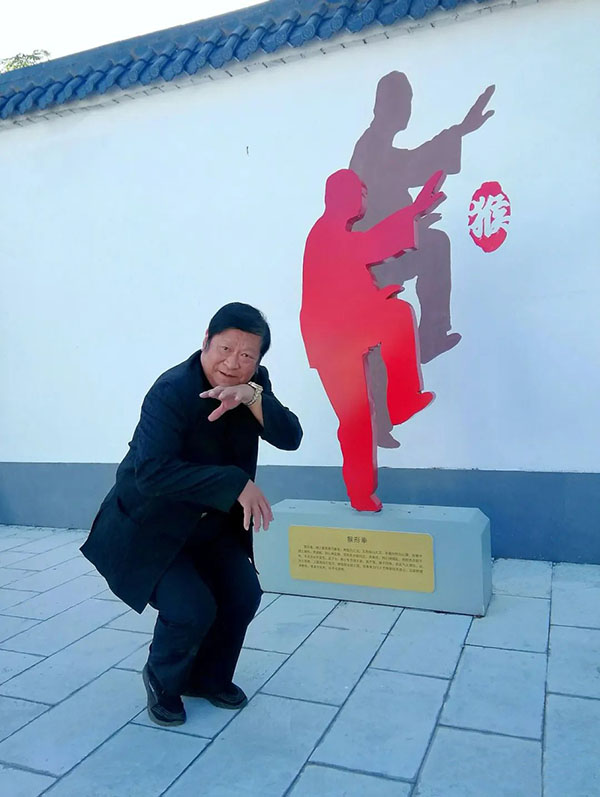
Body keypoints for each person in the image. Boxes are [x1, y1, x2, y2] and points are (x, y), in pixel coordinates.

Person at [81, 303, 302, 727]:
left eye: (247, 355)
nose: (233, 363)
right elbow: (152, 472)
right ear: (205, 341)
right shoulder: (171, 391)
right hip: (152, 527)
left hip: (210, 526)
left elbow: (290, 436)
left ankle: (208, 678)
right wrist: (234, 483)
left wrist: (253, 396)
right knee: (191, 608)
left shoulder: (254, 383)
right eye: (225, 349)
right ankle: (162, 681)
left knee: (243, 595)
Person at [300, 168, 444, 512]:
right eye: (359, 192)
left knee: (396, 316)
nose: (363, 199)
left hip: (348, 329)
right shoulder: (325, 234)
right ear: (337, 196)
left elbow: (352, 276)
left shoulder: (336, 233)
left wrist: (413, 211)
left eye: (364, 192)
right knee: (356, 419)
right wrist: (413, 211)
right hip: (332, 342)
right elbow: (368, 247)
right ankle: (361, 491)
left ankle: (403, 401)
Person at [350, 71, 495, 364]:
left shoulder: (380, 146)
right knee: (435, 244)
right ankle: (430, 336)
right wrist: (407, 226)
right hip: (371, 260)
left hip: (387, 247)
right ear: (380, 106)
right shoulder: (369, 149)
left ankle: (431, 336)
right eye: (399, 101)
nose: (405, 109)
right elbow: (400, 175)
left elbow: (410, 163)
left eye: (408, 101)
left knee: (434, 243)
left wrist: (460, 131)